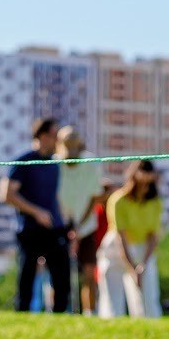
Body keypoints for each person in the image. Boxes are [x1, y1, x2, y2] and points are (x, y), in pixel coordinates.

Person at [0, 116, 71, 312]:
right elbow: (6, 194)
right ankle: (22, 315)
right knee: (27, 277)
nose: (58, 140)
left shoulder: (54, 164)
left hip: (54, 228)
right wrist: (36, 212)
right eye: (55, 135)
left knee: (62, 276)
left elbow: (53, 196)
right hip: (29, 229)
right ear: (43, 135)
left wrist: (65, 220)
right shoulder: (23, 161)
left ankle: (61, 317)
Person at [98, 160, 163, 319]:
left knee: (147, 297)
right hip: (116, 248)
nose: (145, 188)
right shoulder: (118, 200)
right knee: (113, 300)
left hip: (143, 249)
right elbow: (121, 237)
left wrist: (142, 265)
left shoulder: (155, 203)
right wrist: (131, 266)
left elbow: (153, 236)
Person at [56, 126, 106, 315]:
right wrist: (66, 225)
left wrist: (78, 226)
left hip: (86, 226)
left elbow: (94, 197)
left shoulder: (92, 163)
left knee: (89, 272)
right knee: (59, 273)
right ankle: (59, 310)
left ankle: (89, 312)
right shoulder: (53, 164)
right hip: (60, 226)